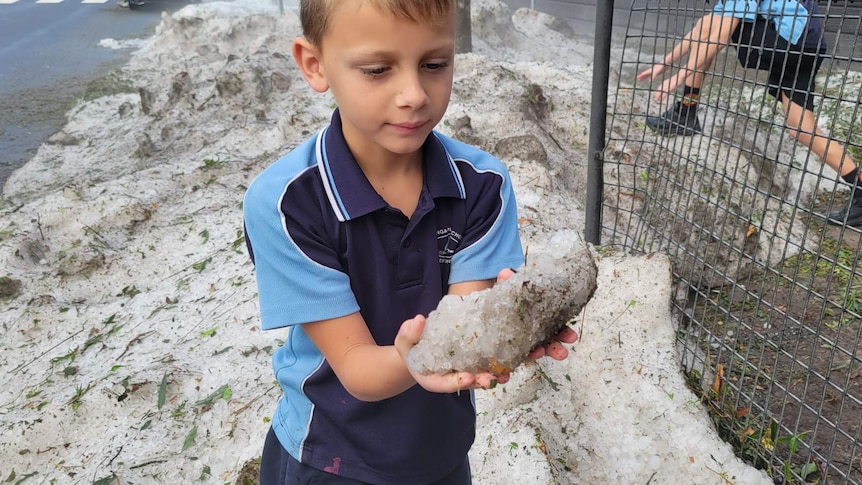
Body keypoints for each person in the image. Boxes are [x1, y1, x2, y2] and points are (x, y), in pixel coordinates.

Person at [242, 1, 577, 484]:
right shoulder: (287, 204)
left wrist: (513, 327)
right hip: (330, 453)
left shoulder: (481, 185)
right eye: (378, 70)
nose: (414, 95)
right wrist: (416, 357)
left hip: (440, 449)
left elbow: (465, 328)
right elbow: (356, 369)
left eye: (435, 64)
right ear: (315, 66)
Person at [636, 0, 862, 227]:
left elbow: (716, 36)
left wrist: (678, 76)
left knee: (714, 26)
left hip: (790, 41)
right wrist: (663, 64)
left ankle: (687, 110)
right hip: (808, 43)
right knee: (801, 128)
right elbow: (701, 31)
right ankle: (860, 187)